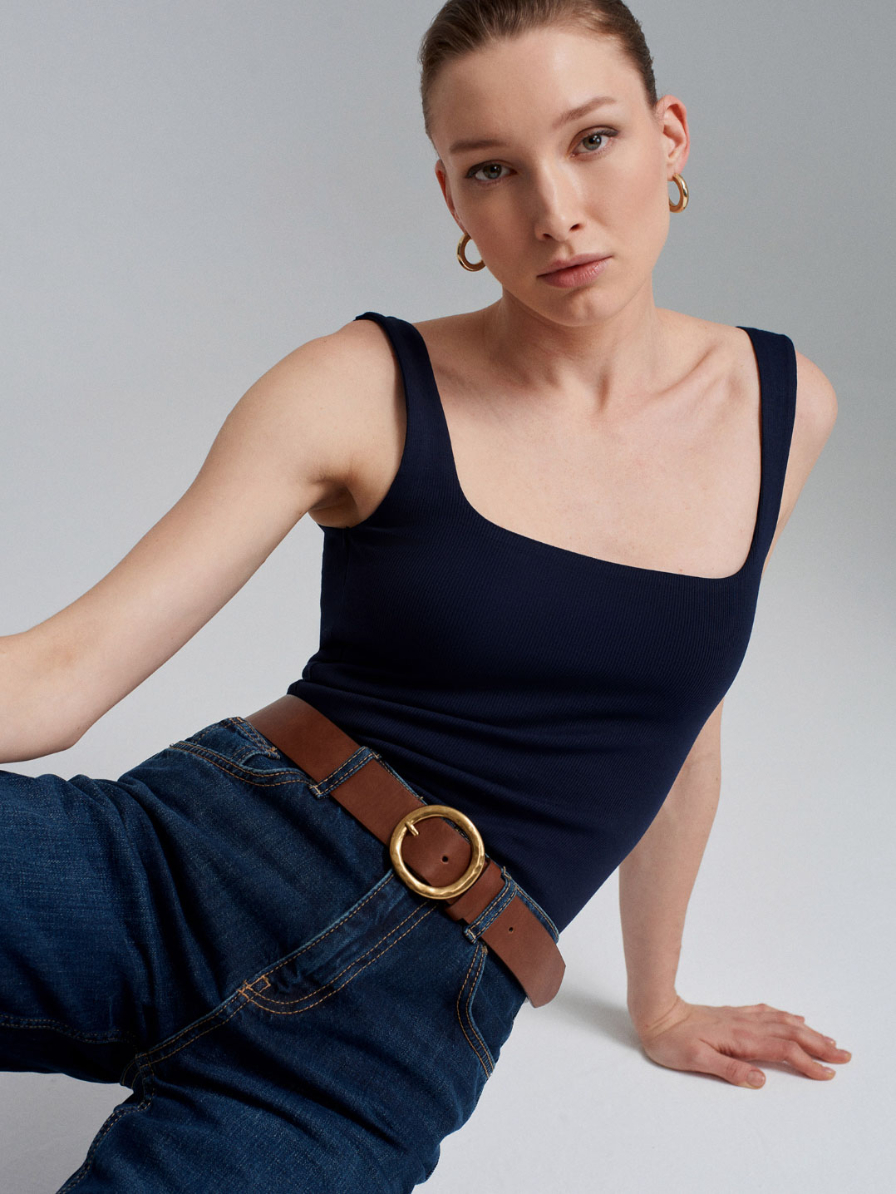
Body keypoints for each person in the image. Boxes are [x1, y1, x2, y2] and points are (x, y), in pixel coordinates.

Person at [1, 0, 851, 1190]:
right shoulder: (359, 384)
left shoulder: (778, 406)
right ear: (452, 197)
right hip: (168, 872)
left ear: (668, 135)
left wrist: (656, 1003)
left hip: (386, 1043)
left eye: (591, 139)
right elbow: (54, 679)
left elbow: (680, 710)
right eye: (492, 169)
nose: (553, 211)